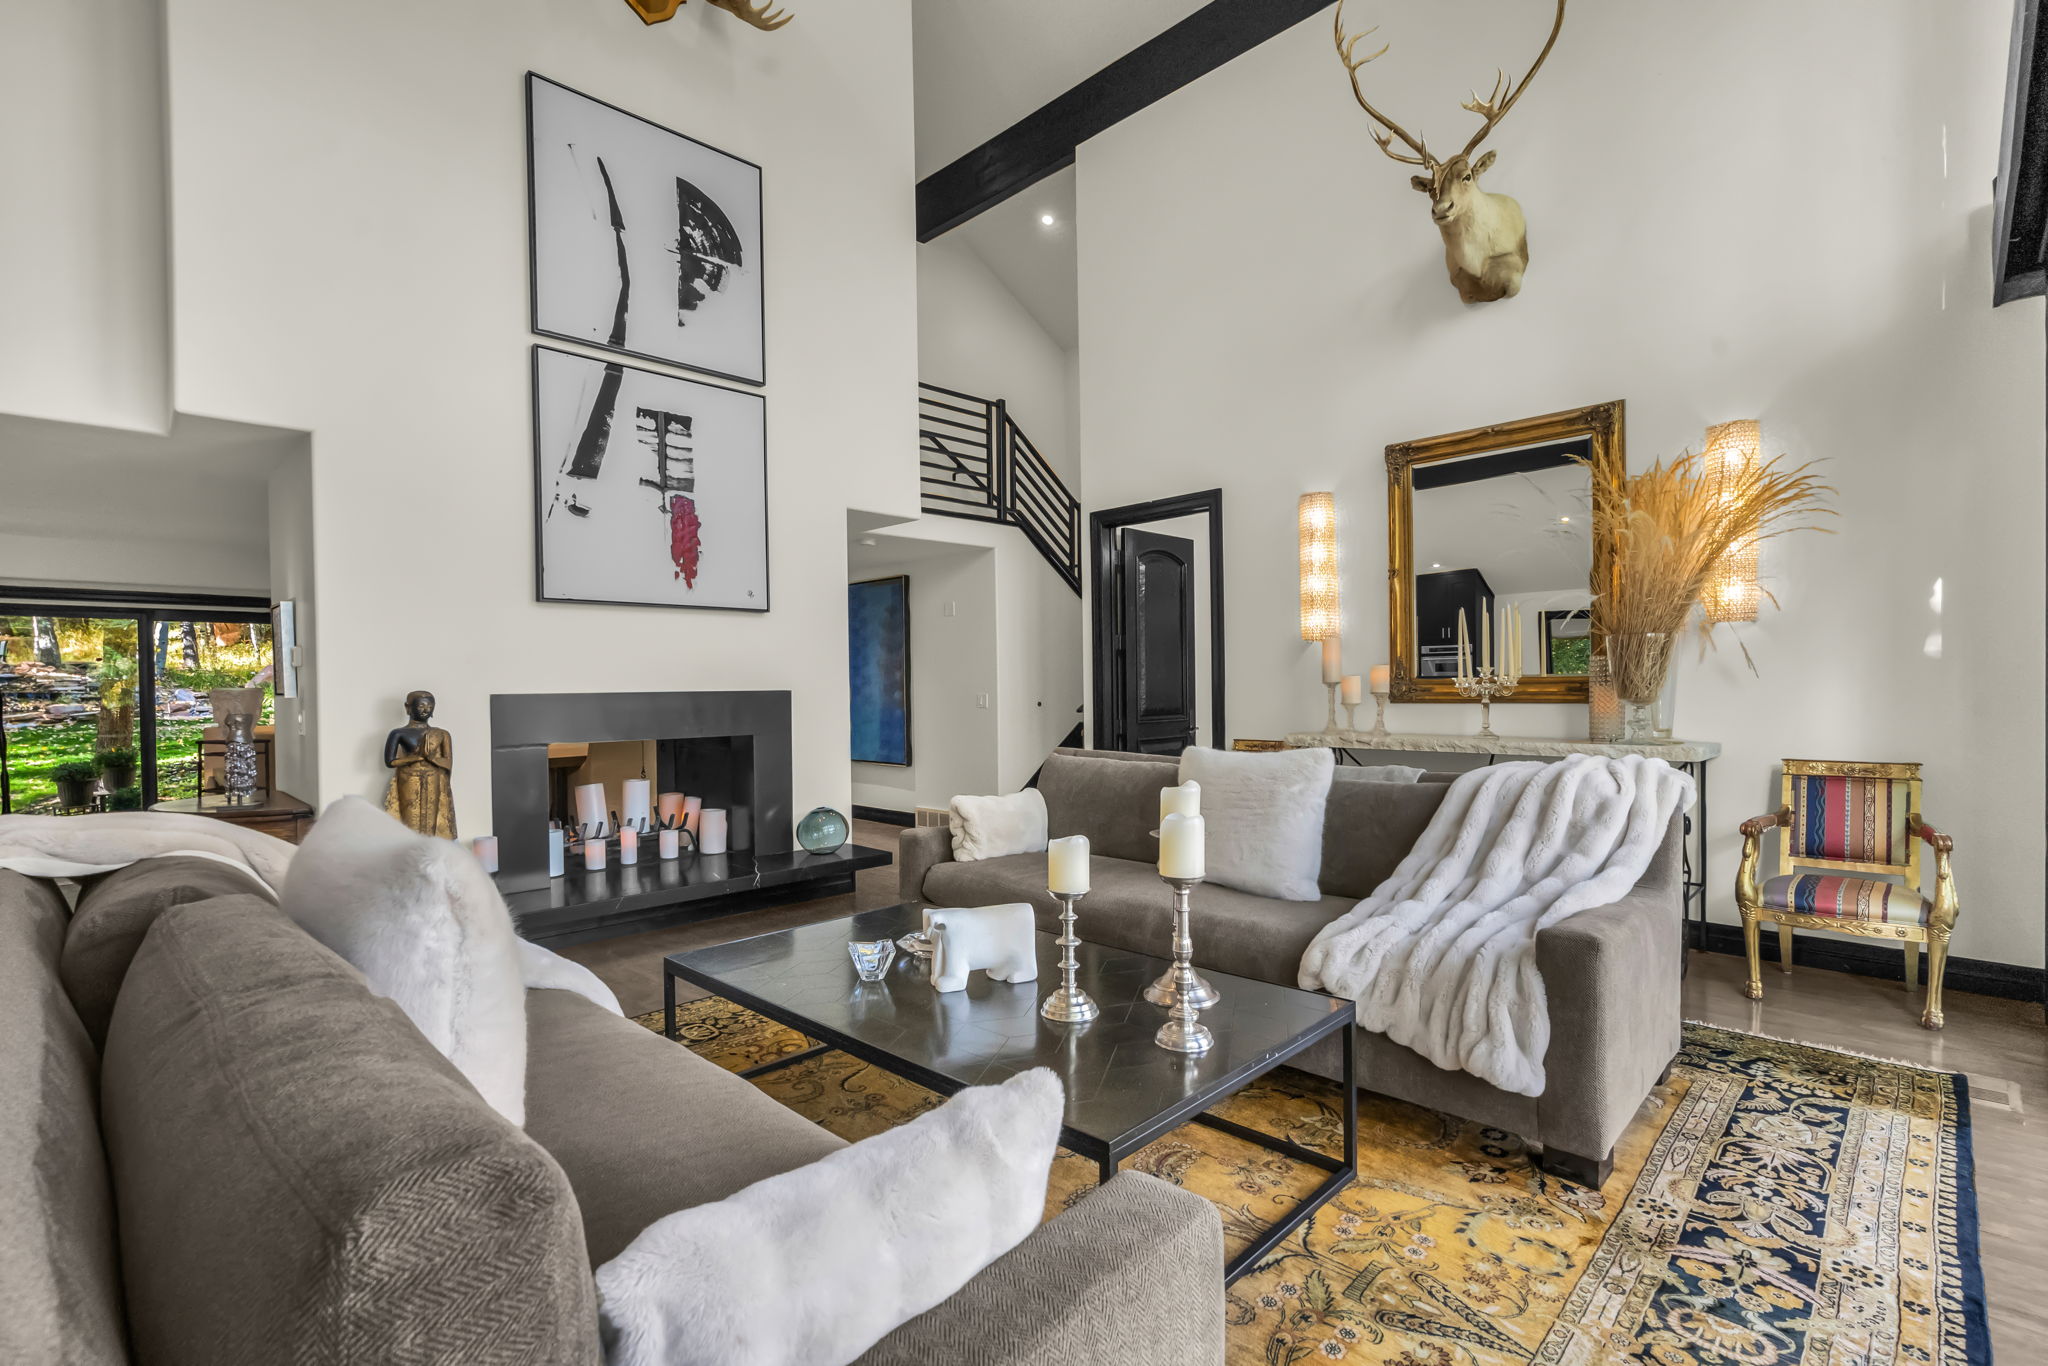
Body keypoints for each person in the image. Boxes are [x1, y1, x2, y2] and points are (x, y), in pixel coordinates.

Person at [382, 690, 455, 838]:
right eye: (421, 706)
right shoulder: (398, 733)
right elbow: (390, 761)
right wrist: (416, 758)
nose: (425, 710)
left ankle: (430, 848)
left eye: (430, 706)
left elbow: (447, 761)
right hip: (409, 779)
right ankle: (411, 848)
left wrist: (433, 759)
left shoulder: (442, 734)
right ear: (408, 707)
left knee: (432, 820)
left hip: (433, 778)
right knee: (410, 820)